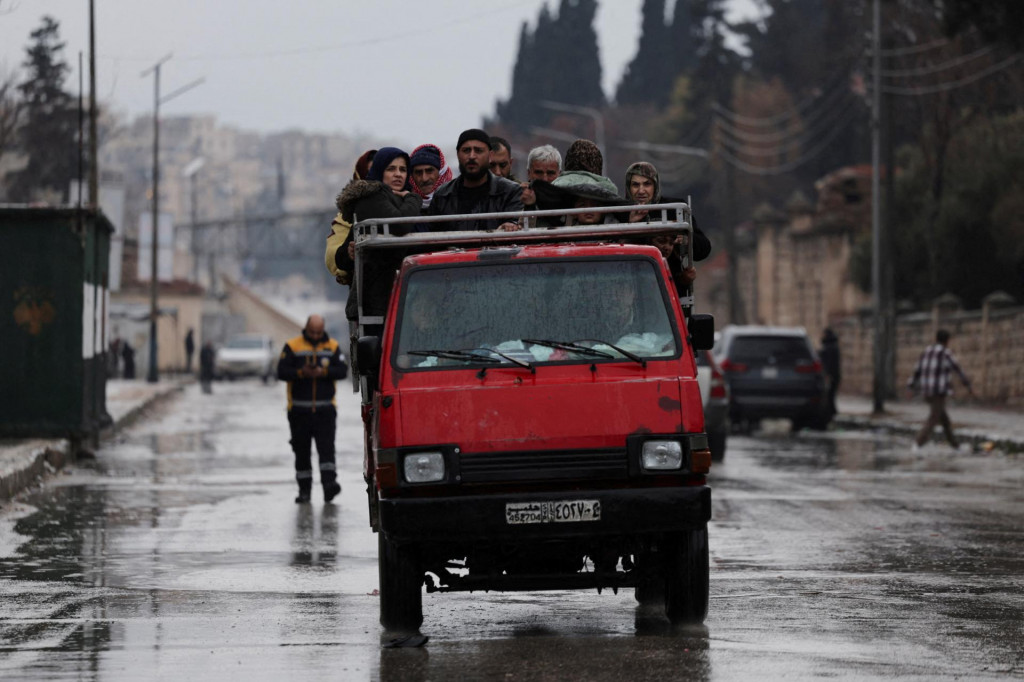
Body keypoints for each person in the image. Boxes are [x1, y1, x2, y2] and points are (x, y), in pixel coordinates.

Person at [331, 146, 422, 323]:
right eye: (391, 169)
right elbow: (400, 225)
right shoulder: (374, 197)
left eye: (403, 169)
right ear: (380, 170)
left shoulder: (395, 198)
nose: (398, 174)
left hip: (396, 297)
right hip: (379, 302)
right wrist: (413, 198)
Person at [277, 315, 349, 503]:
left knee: (327, 450)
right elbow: (282, 372)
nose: (316, 336)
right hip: (299, 411)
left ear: (323, 329)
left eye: (319, 332)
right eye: (312, 332)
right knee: (302, 452)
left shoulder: (332, 347)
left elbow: (342, 371)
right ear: (306, 329)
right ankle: (304, 491)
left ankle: (329, 487)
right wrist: (302, 372)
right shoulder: (293, 346)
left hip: (325, 410)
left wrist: (322, 372)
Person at [425, 128, 523, 231]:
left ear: (490, 156)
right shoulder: (442, 195)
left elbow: (516, 228)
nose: (472, 156)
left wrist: (509, 226)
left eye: (478, 150)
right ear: (458, 155)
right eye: (466, 150)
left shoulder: (511, 192)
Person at [907, 329, 974, 450]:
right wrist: (968, 385)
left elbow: (917, 370)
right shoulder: (945, 353)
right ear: (947, 340)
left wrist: (911, 386)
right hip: (938, 391)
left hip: (926, 391)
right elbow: (957, 369)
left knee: (944, 420)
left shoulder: (926, 351)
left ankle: (955, 445)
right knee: (934, 418)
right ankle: (918, 443)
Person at [408, 143, 453, 210]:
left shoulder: (456, 199)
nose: (424, 179)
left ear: (441, 173)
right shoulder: (404, 202)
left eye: (429, 171)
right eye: (418, 173)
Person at [519, 144, 562, 209]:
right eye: (539, 173)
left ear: (559, 174)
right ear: (529, 173)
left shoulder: (569, 200)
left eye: (550, 173)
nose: (545, 179)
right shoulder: (517, 198)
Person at [819, 328, 841, 420]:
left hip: (831, 375)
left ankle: (831, 414)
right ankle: (831, 413)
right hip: (833, 375)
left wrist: (827, 374)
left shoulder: (830, 347)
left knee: (829, 395)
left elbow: (828, 363)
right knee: (830, 395)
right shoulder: (832, 346)